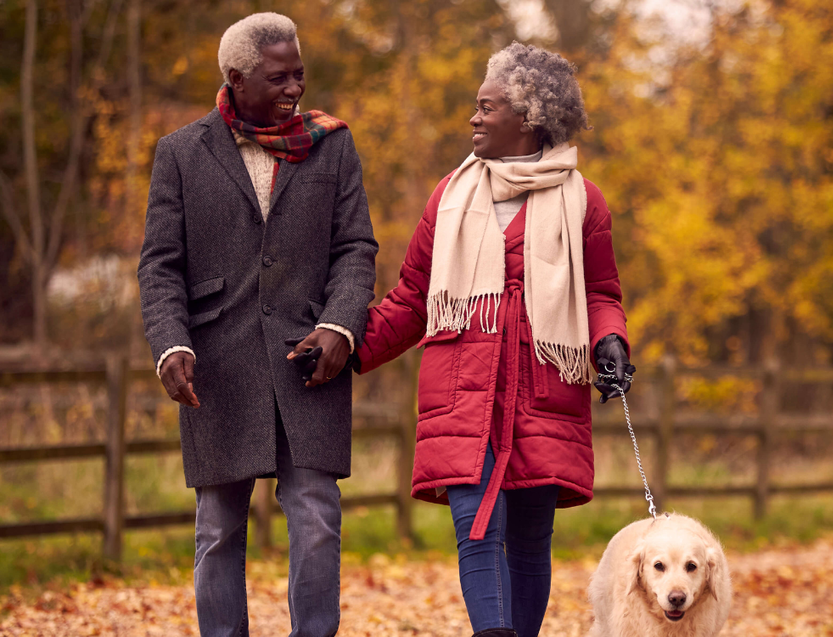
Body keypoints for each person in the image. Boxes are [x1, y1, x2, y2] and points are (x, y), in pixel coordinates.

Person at [355, 42, 632, 637]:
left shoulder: (584, 201)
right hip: (464, 392)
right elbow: (411, 298)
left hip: (544, 391)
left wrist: (610, 342)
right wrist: (351, 349)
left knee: (531, 541)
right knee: (476, 530)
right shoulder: (448, 196)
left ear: (529, 118)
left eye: (487, 107)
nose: (474, 118)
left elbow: (602, 294)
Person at [137, 12, 377, 637]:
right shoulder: (181, 153)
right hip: (217, 366)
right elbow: (160, 265)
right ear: (237, 79)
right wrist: (171, 345)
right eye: (278, 78)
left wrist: (341, 326)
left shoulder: (334, 143)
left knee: (318, 517)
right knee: (217, 529)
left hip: (310, 358)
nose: (295, 88)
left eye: (299, 73)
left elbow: (356, 247)